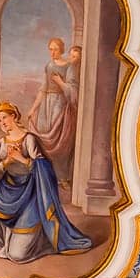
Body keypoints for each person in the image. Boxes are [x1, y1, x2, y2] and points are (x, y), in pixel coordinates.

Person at [0, 102, 93, 263]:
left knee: (17, 255)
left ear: (14, 116)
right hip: (8, 192)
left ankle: (42, 240)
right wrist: (6, 161)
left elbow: (43, 169)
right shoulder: (1, 144)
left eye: (4, 118)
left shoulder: (29, 139)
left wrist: (21, 158)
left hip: (30, 196)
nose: (2, 123)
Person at [27, 40, 81, 181]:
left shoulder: (69, 67)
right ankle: (44, 174)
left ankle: (60, 177)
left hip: (60, 103)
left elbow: (73, 91)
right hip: (46, 105)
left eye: (55, 49)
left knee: (57, 139)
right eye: (50, 49)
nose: (52, 52)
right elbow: (43, 89)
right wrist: (33, 109)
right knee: (42, 138)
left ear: (62, 50)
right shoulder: (49, 66)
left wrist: (60, 82)